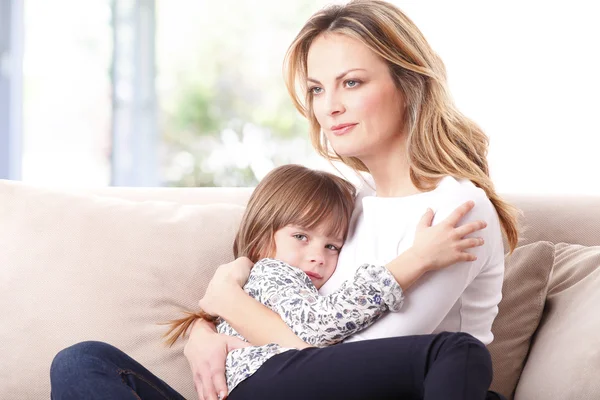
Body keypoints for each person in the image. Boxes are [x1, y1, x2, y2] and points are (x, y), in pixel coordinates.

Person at [51, 1, 519, 399]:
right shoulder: (347, 209)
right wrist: (205, 329)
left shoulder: (457, 210)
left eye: (351, 83)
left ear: (408, 85)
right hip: (278, 384)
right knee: (82, 362)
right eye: (317, 89)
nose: (328, 105)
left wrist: (230, 306)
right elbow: (276, 287)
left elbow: (355, 365)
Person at [161, 164, 488, 398]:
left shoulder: (255, 284)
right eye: (301, 236)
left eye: (332, 245)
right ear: (261, 239)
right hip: (262, 380)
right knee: (459, 351)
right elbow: (319, 325)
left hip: (271, 381)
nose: (318, 255)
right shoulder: (272, 272)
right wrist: (416, 260)